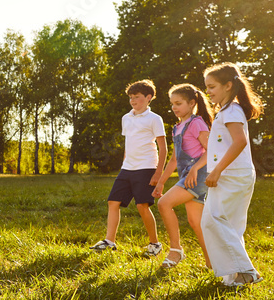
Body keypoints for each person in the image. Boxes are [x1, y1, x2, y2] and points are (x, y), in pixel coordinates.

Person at [202, 62, 264, 287]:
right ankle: (235, 276)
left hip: (232, 175)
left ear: (228, 85)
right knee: (228, 223)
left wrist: (217, 171)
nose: (208, 91)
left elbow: (240, 141)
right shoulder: (226, 110)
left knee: (213, 220)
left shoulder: (232, 111)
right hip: (232, 174)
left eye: (212, 86)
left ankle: (247, 271)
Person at [90, 79, 167, 256]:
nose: (133, 100)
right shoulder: (126, 118)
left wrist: (158, 173)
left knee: (142, 206)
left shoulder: (155, 119)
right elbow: (128, 143)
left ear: (149, 97)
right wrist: (125, 163)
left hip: (146, 168)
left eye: (137, 97)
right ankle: (110, 241)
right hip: (127, 168)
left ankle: (154, 244)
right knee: (113, 202)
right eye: (131, 97)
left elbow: (163, 148)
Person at [153, 83, 213, 269]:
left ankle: (176, 250)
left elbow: (211, 151)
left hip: (198, 175)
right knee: (195, 222)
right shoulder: (177, 127)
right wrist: (160, 183)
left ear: (192, 103)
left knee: (164, 204)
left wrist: (195, 169)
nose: (174, 108)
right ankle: (213, 262)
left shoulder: (197, 123)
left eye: (178, 103)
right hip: (186, 175)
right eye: (172, 104)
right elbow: (173, 160)